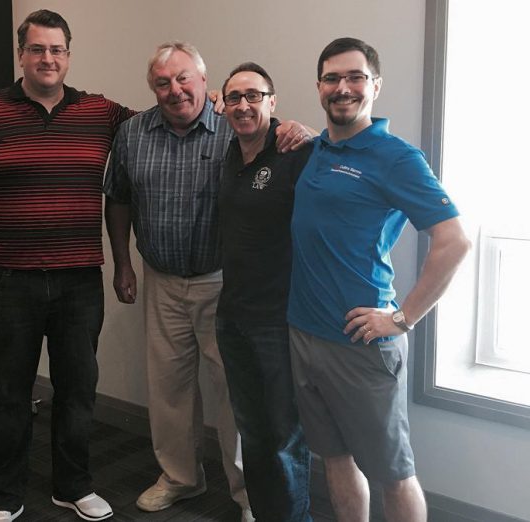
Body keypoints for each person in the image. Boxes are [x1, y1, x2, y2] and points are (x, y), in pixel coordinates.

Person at [0, 9, 135, 522]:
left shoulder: (101, 113)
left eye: (57, 49)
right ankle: (4, 495)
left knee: (78, 390)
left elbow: (158, 128)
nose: (48, 58)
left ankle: (73, 485)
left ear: (68, 54)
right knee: (11, 392)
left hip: (78, 281)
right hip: (8, 281)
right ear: (21, 54)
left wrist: (216, 101)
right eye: (37, 49)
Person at [104, 42, 312, 522]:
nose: (175, 90)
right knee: (169, 388)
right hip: (161, 279)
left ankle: (247, 494)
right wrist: (122, 263)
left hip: (224, 282)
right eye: (163, 82)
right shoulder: (132, 133)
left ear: (205, 83)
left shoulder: (233, 127)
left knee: (235, 392)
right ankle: (180, 478)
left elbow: (286, 145)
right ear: (152, 88)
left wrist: (308, 131)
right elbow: (118, 199)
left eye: (184, 80)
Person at [287, 37, 471, 522]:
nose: (342, 87)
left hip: (361, 342)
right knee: (334, 458)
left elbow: (453, 241)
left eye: (355, 77)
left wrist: (403, 317)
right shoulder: (317, 148)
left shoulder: (395, 156)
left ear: (375, 85)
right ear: (319, 86)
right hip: (304, 332)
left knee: (393, 473)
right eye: (332, 78)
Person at [216, 62, 313, 521]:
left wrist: (313, 135)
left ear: (273, 102)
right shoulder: (230, 155)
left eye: (254, 96)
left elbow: (345, 158)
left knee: (283, 438)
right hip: (232, 315)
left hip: (278, 320)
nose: (243, 105)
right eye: (234, 97)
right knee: (251, 434)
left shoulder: (296, 151)